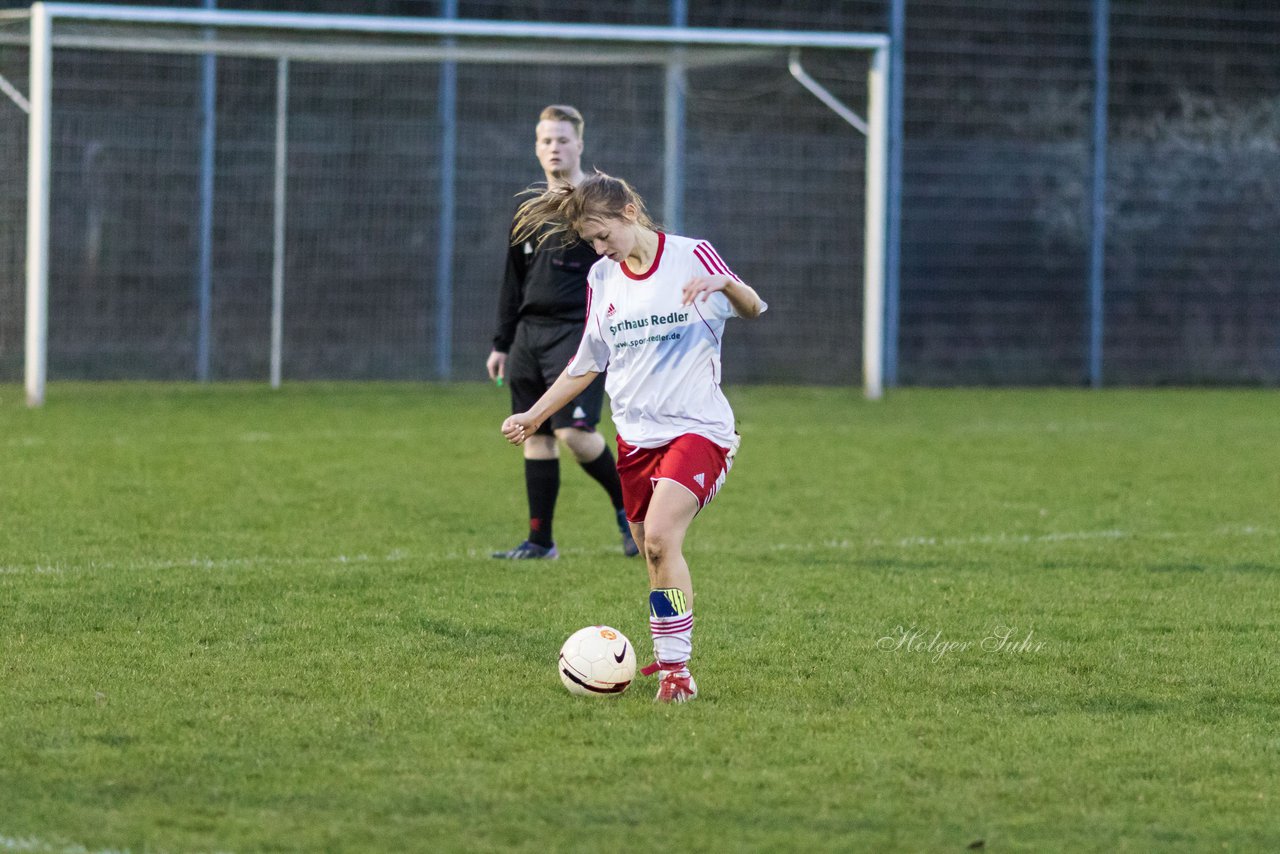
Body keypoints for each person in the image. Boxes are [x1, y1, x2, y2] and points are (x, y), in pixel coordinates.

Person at [500, 172, 766, 703]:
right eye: (591, 242)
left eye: (602, 235)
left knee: (664, 538)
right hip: (635, 440)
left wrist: (725, 284)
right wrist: (534, 415)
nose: (600, 249)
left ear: (628, 213)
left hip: (699, 430)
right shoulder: (603, 278)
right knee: (650, 552)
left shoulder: (693, 255)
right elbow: (585, 364)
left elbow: (754, 307)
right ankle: (671, 669)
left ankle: (676, 673)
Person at [487, 105, 637, 561]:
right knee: (534, 435)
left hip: (578, 331)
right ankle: (540, 541)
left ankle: (628, 512)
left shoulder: (596, 205)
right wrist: (502, 342)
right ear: (537, 147)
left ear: (579, 145)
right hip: (529, 335)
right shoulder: (527, 207)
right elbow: (513, 278)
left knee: (575, 433)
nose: (555, 147)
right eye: (547, 140)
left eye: (563, 139)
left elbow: (624, 262)